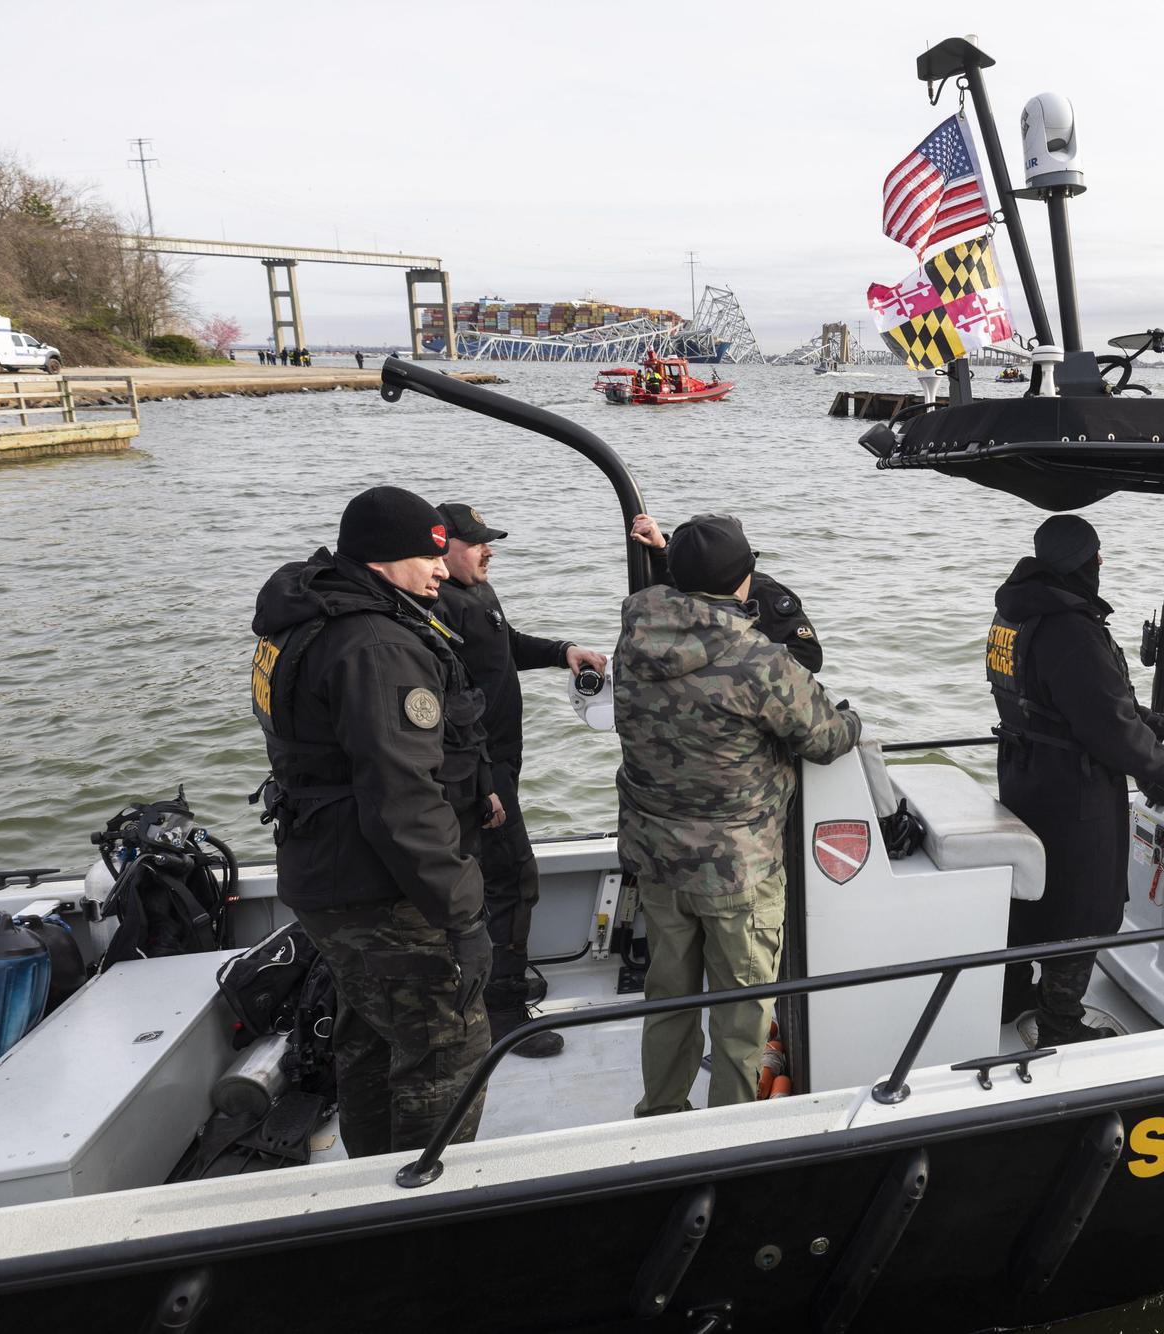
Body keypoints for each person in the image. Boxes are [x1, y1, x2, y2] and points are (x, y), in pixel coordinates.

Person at [249, 485, 495, 1156]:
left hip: (325, 872)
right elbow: (402, 800)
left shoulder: (307, 616)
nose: (441, 571)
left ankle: (364, 1191)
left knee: (368, 1036)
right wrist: (461, 911)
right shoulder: (378, 647)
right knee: (447, 1049)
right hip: (378, 889)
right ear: (385, 559)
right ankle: (419, 1213)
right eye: (429, 557)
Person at [614, 514, 861, 1115]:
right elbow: (827, 737)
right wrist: (851, 717)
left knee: (667, 998)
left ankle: (662, 1112)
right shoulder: (757, 660)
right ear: (746, 577)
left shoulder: (634, 631)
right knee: (741, 1016)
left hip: (658, 860)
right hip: (737, 872)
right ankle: (729, 1130)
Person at [991, 515, 1164, 1043]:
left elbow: (1062, 701)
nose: (1100, 566)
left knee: (1031, 890)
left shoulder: (1013, 615)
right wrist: (1163, 768)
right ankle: (1060, 1021)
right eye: (1096, 557)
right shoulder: (1071, 627)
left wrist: (1146, 719)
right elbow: (1107, 725)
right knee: (1083, 901)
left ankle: (1010, 992)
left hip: (1024, 776)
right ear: (1081, 562)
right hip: (1074, 789)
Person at [432, 502, 607, 1057]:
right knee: (513, 876)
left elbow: (500, 650)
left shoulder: (475, 592)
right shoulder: (437, 605)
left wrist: (563, 652)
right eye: (477, 542)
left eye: (490, 541)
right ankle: (502, 1009)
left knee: (493, 874)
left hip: (498, 763)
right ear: (442, 545)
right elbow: (448, 704)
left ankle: (490, 983)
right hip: (474, 771)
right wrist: (483, 780)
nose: (489, 550)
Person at [628, 512, 821, 671]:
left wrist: (746, 662)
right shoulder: (679, 589)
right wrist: (661, 550)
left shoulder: (763, 591)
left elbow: (808, 656)